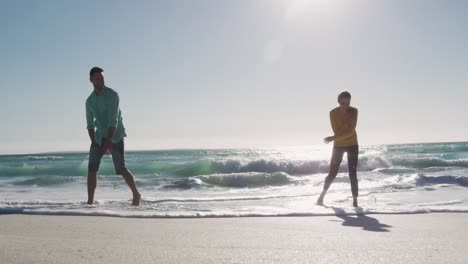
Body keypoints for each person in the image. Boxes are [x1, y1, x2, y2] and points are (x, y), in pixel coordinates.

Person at [85, 67, 141, 206]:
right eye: (97, 78)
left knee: (120, 167)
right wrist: (95, 144)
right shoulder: (89, 101)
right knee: (91, 168)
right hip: (99, 136)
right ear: (91, 80)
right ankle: (90, 202)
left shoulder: (112, 95)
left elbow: (113, 121)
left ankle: (136, 194)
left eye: (102, 78)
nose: (100, 81)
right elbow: (90, 125)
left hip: (115, 134)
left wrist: (109, 140)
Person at [317, 91, 359, 207]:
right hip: (338, 146)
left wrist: (334, 137)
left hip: (352, 145)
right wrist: (344, 129)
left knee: (352, 173)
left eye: (347, 103)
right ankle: (321, 197)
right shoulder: (332, 113)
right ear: (338, 102)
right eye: (342, 103)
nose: (345, 106)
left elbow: (350, 132)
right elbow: (338, 130)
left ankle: (355, 201)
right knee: (332, 173)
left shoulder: (354, 111)